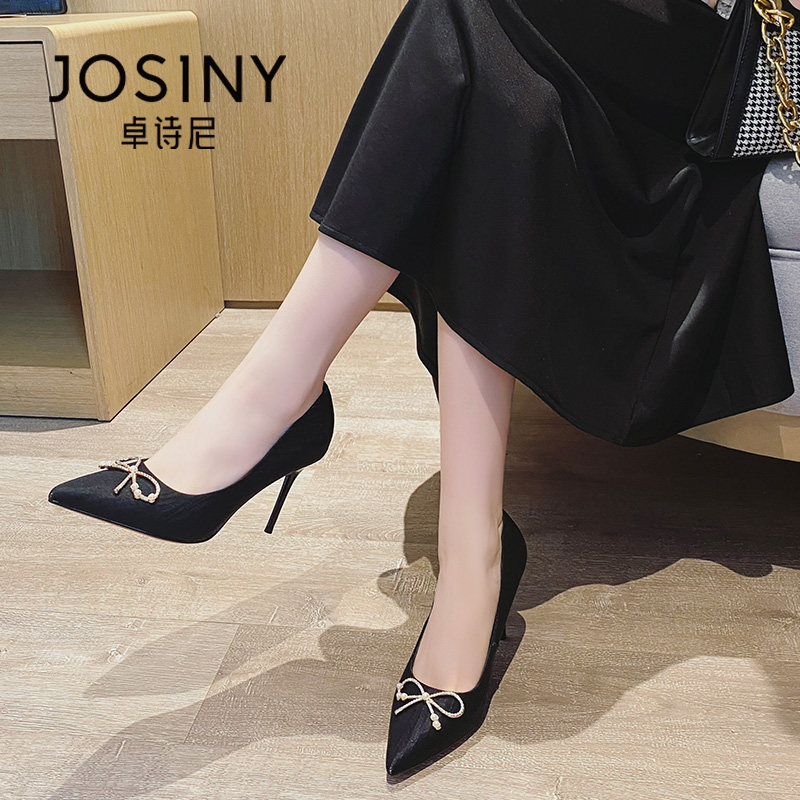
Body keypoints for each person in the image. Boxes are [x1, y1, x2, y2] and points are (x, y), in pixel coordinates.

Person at [48, 0, 796, 778]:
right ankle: (469, 554)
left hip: (744, 62)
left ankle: (280, 409)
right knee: (502, 97)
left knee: (464, 17)